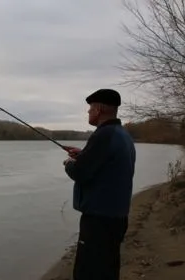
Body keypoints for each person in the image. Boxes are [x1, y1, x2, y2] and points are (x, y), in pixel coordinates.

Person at [63, 89, 136, 280]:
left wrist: (70, 164)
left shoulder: (104, 135)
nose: (88, 112)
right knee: (108, 269)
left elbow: (81, 172)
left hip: (99, 220)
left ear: (99, 109)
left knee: (88, 272)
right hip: (116, 216)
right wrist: (84, 154)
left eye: (90, 108)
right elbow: (106, 164)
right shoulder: (122, 135)